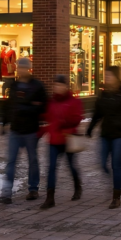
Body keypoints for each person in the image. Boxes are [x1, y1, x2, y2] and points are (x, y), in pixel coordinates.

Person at [86, 66, 121, 209]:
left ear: (116, 77)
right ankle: (114, 181)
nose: (107, 78)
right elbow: (97, 113)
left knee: (116, 165)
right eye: (105, 75)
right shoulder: (103, 94)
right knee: (103, 163)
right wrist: (90, 128)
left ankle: (116, 197)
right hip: (106, 133)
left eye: (109, 76)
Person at [0, 57, 47, 203]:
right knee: (11, 161)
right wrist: (4, 123)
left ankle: (33, 189)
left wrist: (28, 108)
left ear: (28, 69)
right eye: (19, 67)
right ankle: (6, 193)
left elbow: (43, 105)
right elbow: (9, 105)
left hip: (31, 130)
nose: (21, 70)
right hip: (15, 129)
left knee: (32, 160)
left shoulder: (37, 86)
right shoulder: (14, 86)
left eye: (23, 67)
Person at [39, 75, 83, 209]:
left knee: (71, 166)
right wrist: (40, 130)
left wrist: (64, 125)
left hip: (68, 139)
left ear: (65, 87)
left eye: (60, 85)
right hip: (54, 140)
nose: (57, 87)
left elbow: (77, 119)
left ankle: (77, 186)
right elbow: (48, 119)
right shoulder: (51, 102)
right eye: (55, 85)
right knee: (51, 168)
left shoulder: (74, 102)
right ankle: (50, 198)